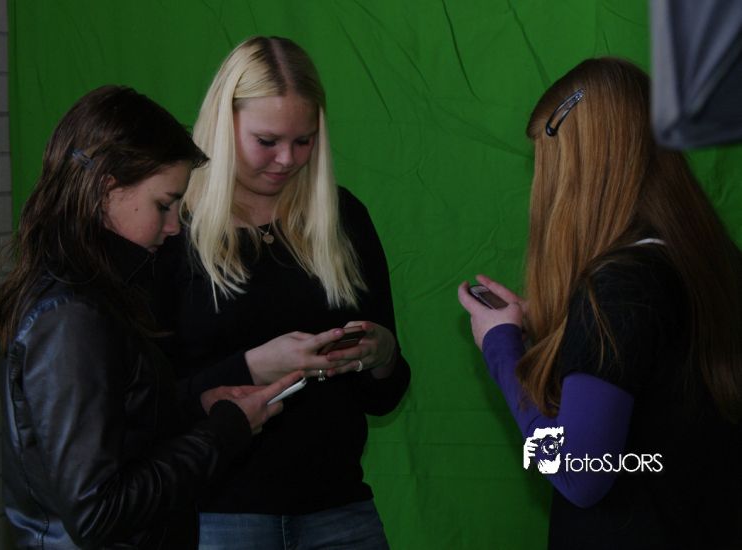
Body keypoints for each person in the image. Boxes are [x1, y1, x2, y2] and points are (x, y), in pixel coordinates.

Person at [0, 85, 302, 549]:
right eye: (164, 204)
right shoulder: (71, 316)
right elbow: (97, 512)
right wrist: (223, 433)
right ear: (107, 190)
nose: (175, 226)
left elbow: (119, 428)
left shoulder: (98, 293)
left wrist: (199, 408)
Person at [458, 57, 742, 549]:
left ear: (580, 168)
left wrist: (502, 347)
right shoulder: (716, 262)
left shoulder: (617, 290)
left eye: (548, 163)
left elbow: (580, 472)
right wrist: (566, 330)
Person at [155, 36, 410, 549]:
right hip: (217, 517)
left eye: (304, 140)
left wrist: (382, 355)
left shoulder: (343, 219)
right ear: (223, 125)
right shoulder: (171, 229)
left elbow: (384, 396)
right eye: (267, 140)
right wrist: (251, 367)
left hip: (340, 509)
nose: (287, 159)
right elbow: (147, 407)